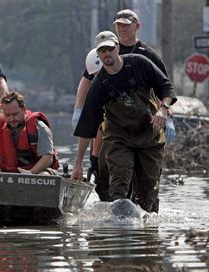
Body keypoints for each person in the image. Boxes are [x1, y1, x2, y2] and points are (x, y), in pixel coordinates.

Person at [72, 9, 176, 201]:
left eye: (109, 49)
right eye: (101, 51)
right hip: (119, 137)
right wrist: (79, 163)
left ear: (117, 48)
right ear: (98, 55)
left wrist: (165, 112)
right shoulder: (99, 84)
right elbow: (88, 127)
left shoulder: (142, 60)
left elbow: (166, 87)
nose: (106, 54)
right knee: (118, 189)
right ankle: (118, 225)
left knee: (148, 196)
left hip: (149, 134)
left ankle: (145, 226)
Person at [0, 91, 59, 175]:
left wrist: (30, 173)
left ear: (23, 109)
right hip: (8, 174)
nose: (12, 118)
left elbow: (48, 158)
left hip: (38, 173)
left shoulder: (40, 128)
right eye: (7, 115)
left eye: (15, 114)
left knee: (44, 176)